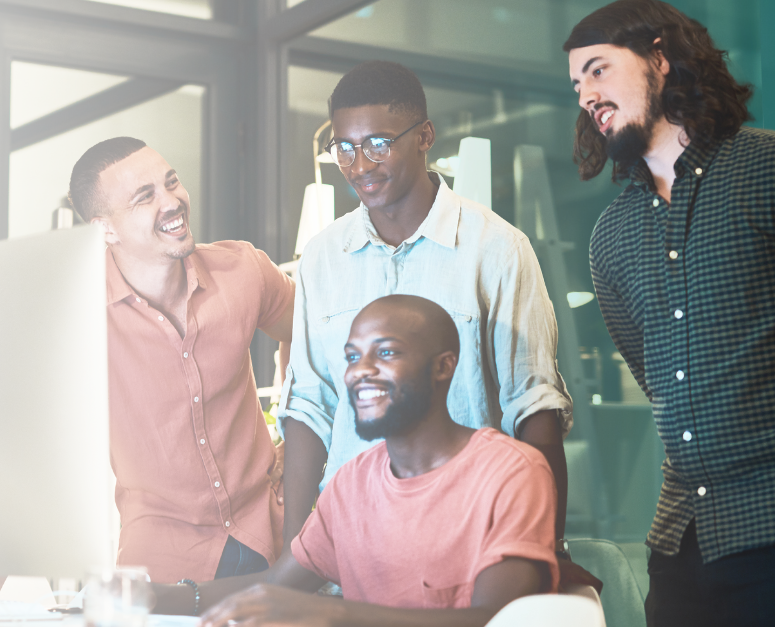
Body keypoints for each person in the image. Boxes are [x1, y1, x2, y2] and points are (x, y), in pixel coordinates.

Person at [565, 1, 775, 625]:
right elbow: (659, 383)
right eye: (576, 84)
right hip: (681, 545)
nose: (586, 94)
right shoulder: (610, 239)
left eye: (598, 70)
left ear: (660, 59)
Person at [279, 61, 575, 565]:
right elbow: (308, 407)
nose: (359, 165)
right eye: (344, 149)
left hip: (470, 526)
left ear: (425, 136)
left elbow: (534, 408)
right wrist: (288, 554)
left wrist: (547, 549)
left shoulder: (496, 249)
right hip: (352, 533)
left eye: (378, 143)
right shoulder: (323, 257)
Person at [152, 295, 559, 626]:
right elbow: (277, 585)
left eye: (385, 352)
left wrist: (332, 612)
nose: (360, 371)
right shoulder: (351, 486)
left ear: (443, 366)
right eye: (351, 357)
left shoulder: (511, 473)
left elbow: (496, 620)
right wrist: (159, 596)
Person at [73, 137, 295, 583]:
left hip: (272, 534)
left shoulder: (244, 271)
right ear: (106, 229)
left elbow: (314, 341)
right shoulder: (75, 315)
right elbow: (28, 446)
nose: (172, 201)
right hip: (164, 558)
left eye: (171, 182)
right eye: (145, 196)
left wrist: (294, 435)